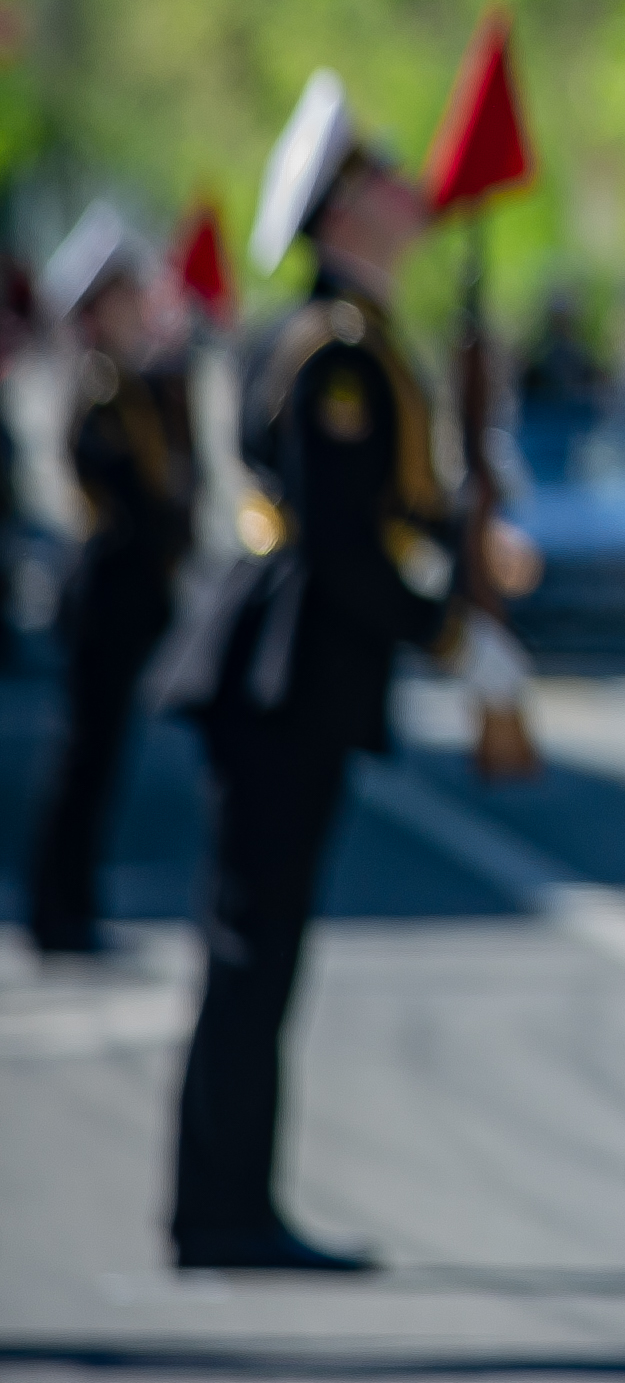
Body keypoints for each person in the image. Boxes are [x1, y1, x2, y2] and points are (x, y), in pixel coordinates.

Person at [150, 73, 530, 1272]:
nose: (409, 192)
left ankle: (226, 1203)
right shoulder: (336, 354)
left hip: (301, 671)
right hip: (284, 669)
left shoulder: (357, 339)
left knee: (262, 944)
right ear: (341, 210)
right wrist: (450, 635)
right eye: (378, 176)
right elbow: (343, 543)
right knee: (251, 944)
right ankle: (221, 1212)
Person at [24, 205, 199, 958]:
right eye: (125, 297)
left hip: (130, 593)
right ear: (99, 310)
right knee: (84, 756)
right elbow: (134, 494)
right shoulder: (99, 388)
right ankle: (55, 907)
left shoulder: (133, 384)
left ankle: (72, 900)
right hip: (104, 592)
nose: (139, 307)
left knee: (99, 757)